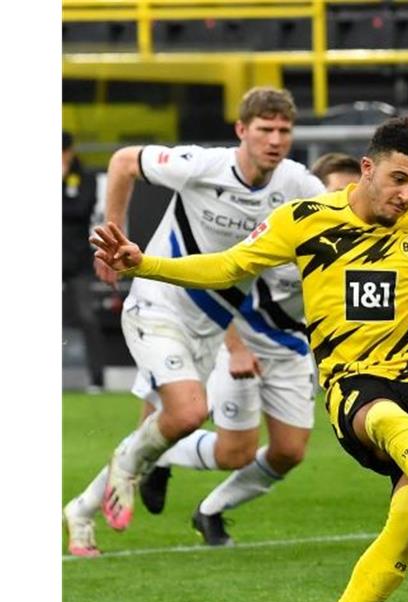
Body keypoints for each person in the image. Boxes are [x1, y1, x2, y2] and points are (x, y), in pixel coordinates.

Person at [90, 116, 408, 602]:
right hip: (352, 381)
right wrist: (146, 265)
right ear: (367, 168)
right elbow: (229, 266)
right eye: (398, 179)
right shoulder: (305, 220)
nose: (406, 195)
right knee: (389, 424)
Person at [62, 86, 326, 557]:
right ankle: (129, 465)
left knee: (174, 423)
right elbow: (123, 161)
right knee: (186, 413)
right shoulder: (204, 165)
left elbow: (342, 219)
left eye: (284, 131)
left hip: (211, 328)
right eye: (265, 129)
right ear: (241, 131)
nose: (275, 139)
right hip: (158, 305)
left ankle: (81, 510)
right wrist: (114, 237)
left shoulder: (296, 183)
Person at [136, 155, 362, 546]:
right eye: (336, 193)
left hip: (291, 346)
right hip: (240, 338)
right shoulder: (281, 229)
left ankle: (210, 511)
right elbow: (223, 284)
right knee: (233, 452)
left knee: (289, 452)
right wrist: (235, 347)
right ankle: (160, 451)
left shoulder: (358, 242)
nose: (344, 201)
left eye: (351, 193)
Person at [62, 130, 105, 393]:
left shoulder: (85, 177)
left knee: (87, 317)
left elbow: (81, 209)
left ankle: (97, 379)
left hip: (76, 259)